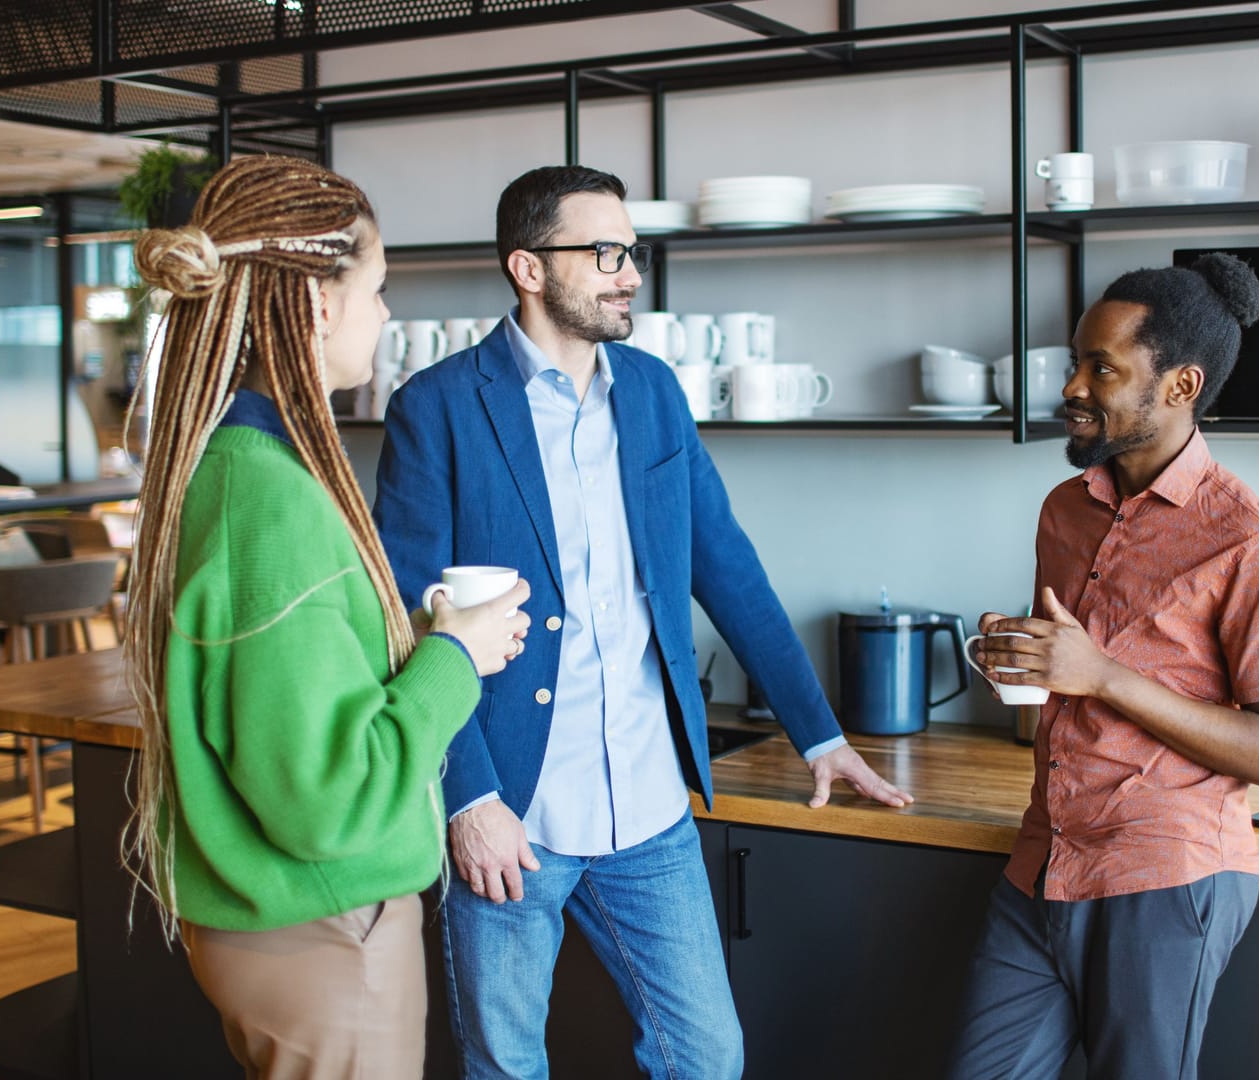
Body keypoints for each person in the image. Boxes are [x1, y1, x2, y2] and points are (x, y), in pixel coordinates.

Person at [374, 164, 911, 1080]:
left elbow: (727, 568)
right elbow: (406, 618)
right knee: (504, 1067)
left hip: (650, 811)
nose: (629, 274)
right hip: (513, 810)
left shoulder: (655, 392)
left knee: (705, 1057)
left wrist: (818, 736)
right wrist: (467, 797)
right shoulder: (438, 408)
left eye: (633, 253)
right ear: (529, 268)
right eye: (606, 252)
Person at [120, 154, 533, 1079]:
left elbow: (295, 708)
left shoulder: (238, 466)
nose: (386, 314)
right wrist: (456, 657)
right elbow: (330, 796)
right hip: (326, 934)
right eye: (378, 288)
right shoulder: (272, 501)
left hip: (285, 925)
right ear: (316, 303)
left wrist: (431, 646)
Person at [947, 254, 1259, 1080]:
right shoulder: (1064, 507)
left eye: (1101, 367)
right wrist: (1025, 660)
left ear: (1180, 387)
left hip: (1165, 876)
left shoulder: (1248, 540)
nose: (1073, 384)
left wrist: (1102, 673)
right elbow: (1051, 699)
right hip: (1042, 858)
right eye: (1077, 358)